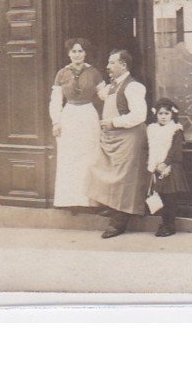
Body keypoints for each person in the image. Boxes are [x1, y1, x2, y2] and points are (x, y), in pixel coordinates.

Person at [87, 49, 149, 238]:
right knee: (107, 172)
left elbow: (139, 115)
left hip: (129, 137)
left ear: (123, 65)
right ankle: (114, 208)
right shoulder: (114, 85)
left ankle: (120, 222)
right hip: (113, 138)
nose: (107, 67)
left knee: (124, 180)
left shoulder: (133, 87)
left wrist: (114, 122)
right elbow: (102, 94)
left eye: (111, 63)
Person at [49, 38, 105, 209]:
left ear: (85, 53)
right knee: (70, 157)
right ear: (68, 53)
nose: (77, 54)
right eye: (74, 51)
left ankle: (90, 200)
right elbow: (56, 100)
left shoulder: (94, 72)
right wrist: (56, 122)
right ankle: (70, 200)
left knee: (89, 155)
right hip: (70, 116)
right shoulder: (62, 73)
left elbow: (103, 95)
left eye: (80, 51)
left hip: (88, 115)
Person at [146, 98, 190, 237]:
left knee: (170, 199)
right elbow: (150, 147)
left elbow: (175, 150)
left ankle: (170, 226)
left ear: (172, 115)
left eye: (166, 114)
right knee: (162, 198)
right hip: (156, 168)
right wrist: (153, 164)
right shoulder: (152, 129)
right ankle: (164, 224)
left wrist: (165, 163)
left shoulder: (175, 130)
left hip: (170, 168)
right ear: (156, 115)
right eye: (160, 114)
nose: (163, 117)